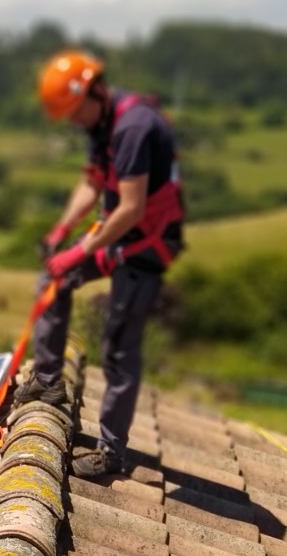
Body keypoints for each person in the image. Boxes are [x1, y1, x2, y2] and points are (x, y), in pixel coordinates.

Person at [12, 50, 185, 478]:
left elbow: (130, 208)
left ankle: (112, 453)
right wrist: (61, 233)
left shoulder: (133, 128)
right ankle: (49, 381)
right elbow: (93, 182)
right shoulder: (102, 122)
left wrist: (79, 251)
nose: (73, 122)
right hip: (117, 232)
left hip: (145, 245)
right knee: (53, 277)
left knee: (118, 348)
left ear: (94, 92)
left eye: (74, 113)